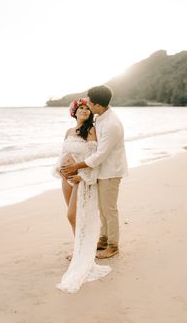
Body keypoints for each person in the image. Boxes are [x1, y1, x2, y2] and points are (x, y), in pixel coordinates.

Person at [61, 85, 128, 259]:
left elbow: (99, 155)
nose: (87, 105)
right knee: (102, 208)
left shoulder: (111, 124)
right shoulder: (101, 118)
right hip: (101, 171)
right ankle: (104, 240)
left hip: (110, 171)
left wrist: (76, 167)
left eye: (89, 103)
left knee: (109, 209)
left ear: (98, 105)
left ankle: (113, 246)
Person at [52, 98, 111, 293]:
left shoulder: (92, 131)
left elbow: (94, 159)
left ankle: (84, 254)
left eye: (87, 108)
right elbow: (63, 153)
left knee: (73, 214)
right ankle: (78, 249)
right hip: (65, 178)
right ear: (74, 112)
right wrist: (60, 170)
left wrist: (81, 176)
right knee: (73, 218)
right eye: (81, 108)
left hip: (80, 178)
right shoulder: (69, 132)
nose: (84, 111)